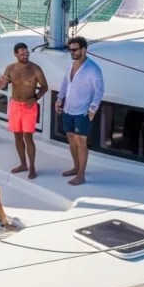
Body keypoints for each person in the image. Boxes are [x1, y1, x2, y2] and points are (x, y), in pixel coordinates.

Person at [55, 36, 104, 186]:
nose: (72, 52)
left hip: (82, 111)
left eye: (75, 50)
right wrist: (59, 98)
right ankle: (75, 167)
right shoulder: (71, 65)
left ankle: (81, 174)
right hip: (68, 109)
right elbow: (65, 83)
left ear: (83, 49)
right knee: (70, 137)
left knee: (80, 141)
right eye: (70, 50)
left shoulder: (92, 69)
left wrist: (93, 108)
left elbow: (99, 90)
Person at [0, 42, 48, 179]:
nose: (25, 56)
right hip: (14, 105)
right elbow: (1, 85)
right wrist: (0, 84)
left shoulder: (35, 69)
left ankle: (32, 167)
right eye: (22, 54)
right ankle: (23, 164)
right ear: (15, 54)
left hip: (29, 107)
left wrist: (35, 98)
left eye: (27, 53)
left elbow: (44, 87)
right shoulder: (10, 68)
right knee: (17, 136)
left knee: (28, 137)